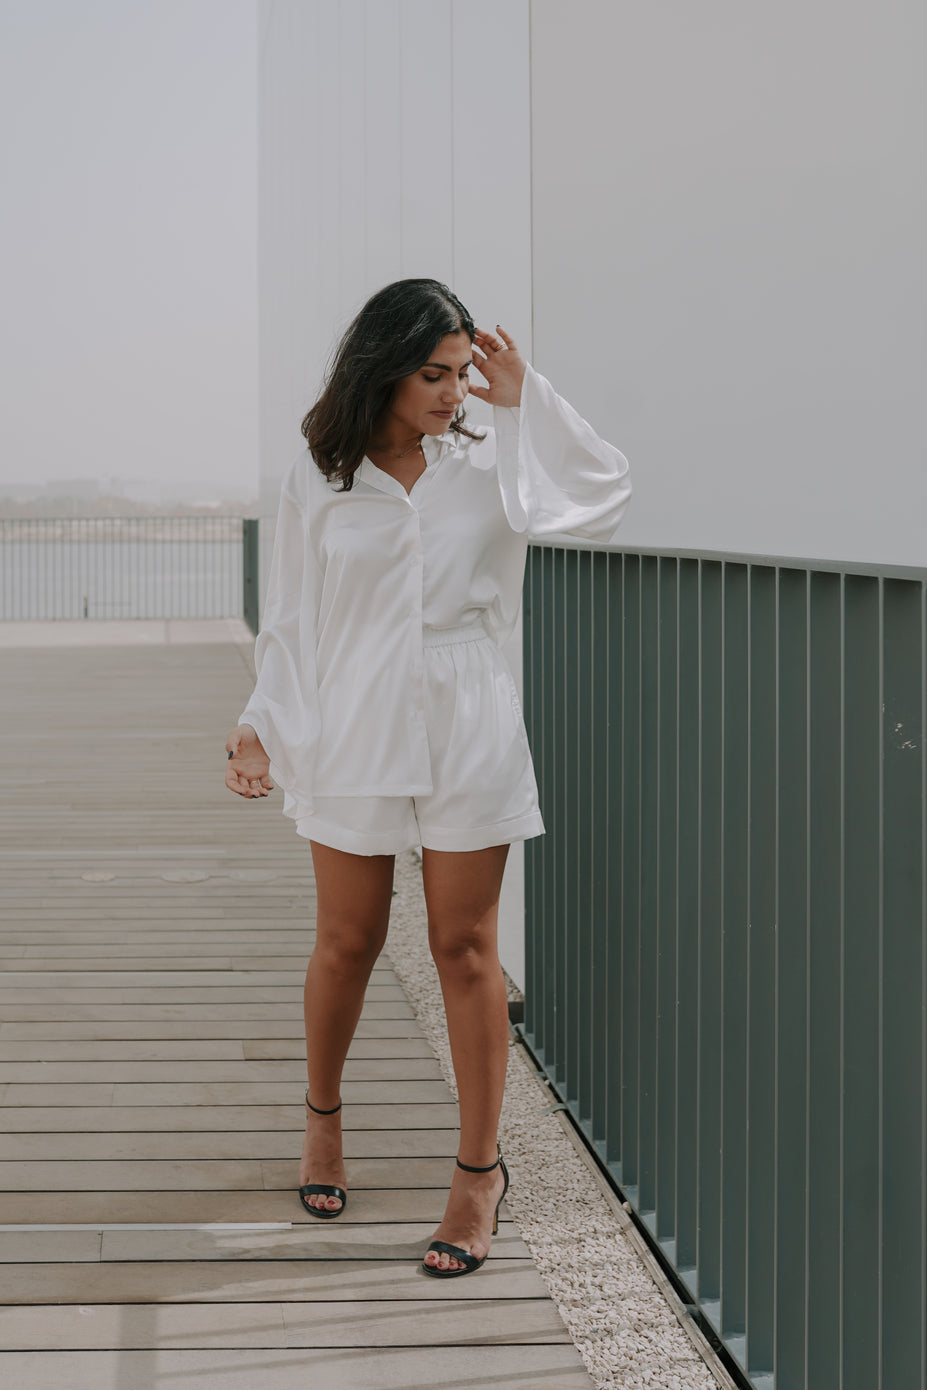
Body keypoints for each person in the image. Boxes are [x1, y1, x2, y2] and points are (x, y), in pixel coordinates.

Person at [225, 278, 631, 1277]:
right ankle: (323, 1120)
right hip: (352, 710)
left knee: (464, 945)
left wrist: (525, 395)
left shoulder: (494, 459)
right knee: (348, 939)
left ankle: (477, 1172)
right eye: (433, 374)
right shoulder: (319, 478)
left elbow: (604, 492)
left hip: (467, 715)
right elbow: (294, 620)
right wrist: (256, 729)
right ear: (382, 370)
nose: (453, 391)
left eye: (461, 372)